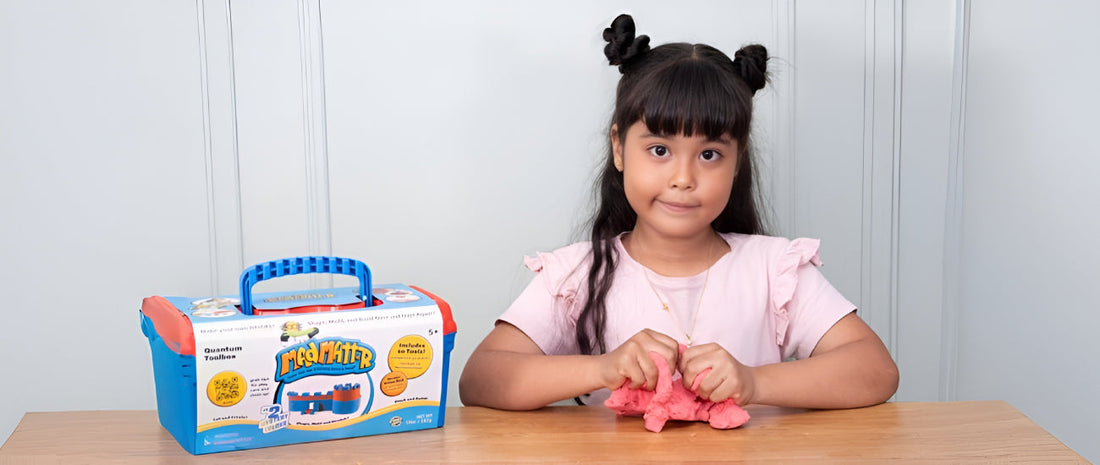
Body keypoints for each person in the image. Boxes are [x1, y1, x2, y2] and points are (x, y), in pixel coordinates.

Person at [459, 14, 898, 411]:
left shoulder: (774, 270)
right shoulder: (575, 276)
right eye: (659, 150)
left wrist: (754, 382)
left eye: (709, 155)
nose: (683, 178)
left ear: (737, 160)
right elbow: (481, 379)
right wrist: (602, 369)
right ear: (619, 148)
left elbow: (875, 370)